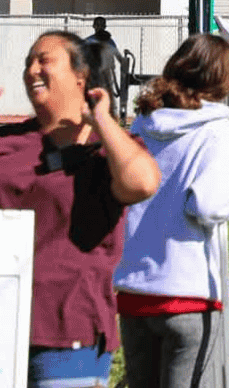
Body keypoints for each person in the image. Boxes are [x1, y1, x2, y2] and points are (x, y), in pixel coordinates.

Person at [113, 33, 229, 388]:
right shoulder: (220, 133)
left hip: (135, 291)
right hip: (188, 293)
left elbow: (177, 176)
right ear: (226, 80)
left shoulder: (143, 126)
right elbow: (209, 204)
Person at [0, 31, 161, 388]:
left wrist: (101, 120)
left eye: (44, 60)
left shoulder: (107, 149)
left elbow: (143, 183)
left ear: (80, 76)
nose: (31, 70)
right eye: (28, 61)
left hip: (68, 334)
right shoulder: (10, 143)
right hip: (4, 327)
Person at [82, 16, 124, 104]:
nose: (100, 28)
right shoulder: (89, 41)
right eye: (98, 25)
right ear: (94, 26)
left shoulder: (91, 41)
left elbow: (118, 57)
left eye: (101, 26)